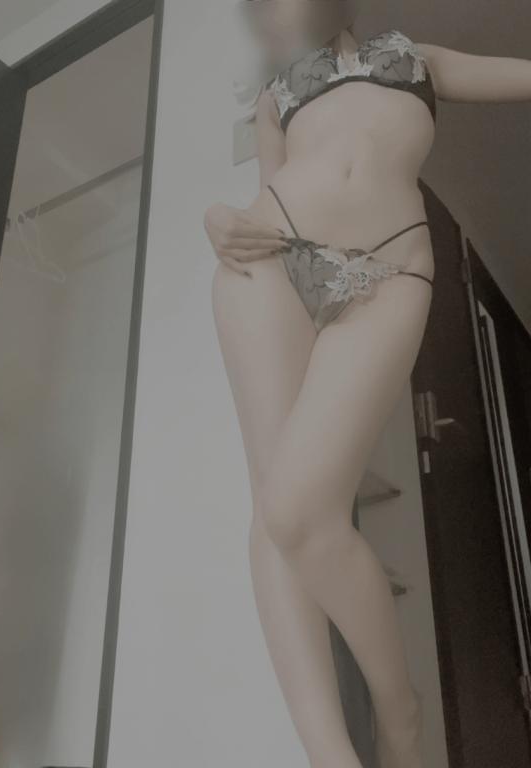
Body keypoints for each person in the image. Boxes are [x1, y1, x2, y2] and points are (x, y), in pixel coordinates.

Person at [204, 3, 531, 766]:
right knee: (272, 512)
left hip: (390, 271)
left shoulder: (416, 56)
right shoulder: (275, 95)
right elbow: (265, 197)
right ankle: (332, 755)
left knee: (299, 509)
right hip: (268, 267)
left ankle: (399, 714)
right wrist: (221, 220)